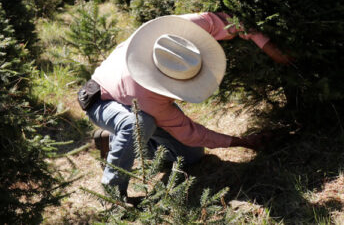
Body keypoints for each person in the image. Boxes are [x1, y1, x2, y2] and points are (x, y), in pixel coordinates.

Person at [84, 12, 290, 196]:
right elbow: (192, 132)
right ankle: (113, 193)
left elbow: (228, 20)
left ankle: (112, 142)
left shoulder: (181, 31)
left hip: (134, 102)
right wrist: (243, 142)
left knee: (191, 156)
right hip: (101, 100)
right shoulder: (151, 97)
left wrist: (262, 41)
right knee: (137, 123)